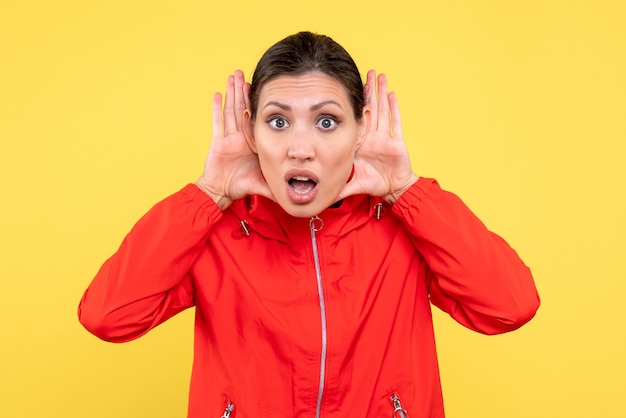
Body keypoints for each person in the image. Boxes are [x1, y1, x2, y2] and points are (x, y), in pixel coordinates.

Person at [78, 31, 540, 418]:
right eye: (278, 121)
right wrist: (208, 192)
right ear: (249, 131)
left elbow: (510, 305)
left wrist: (406, 189)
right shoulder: (213, 234)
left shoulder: (405, 226)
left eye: (326, 121)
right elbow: (107, 316)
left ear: (362, 128)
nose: (300, 147)